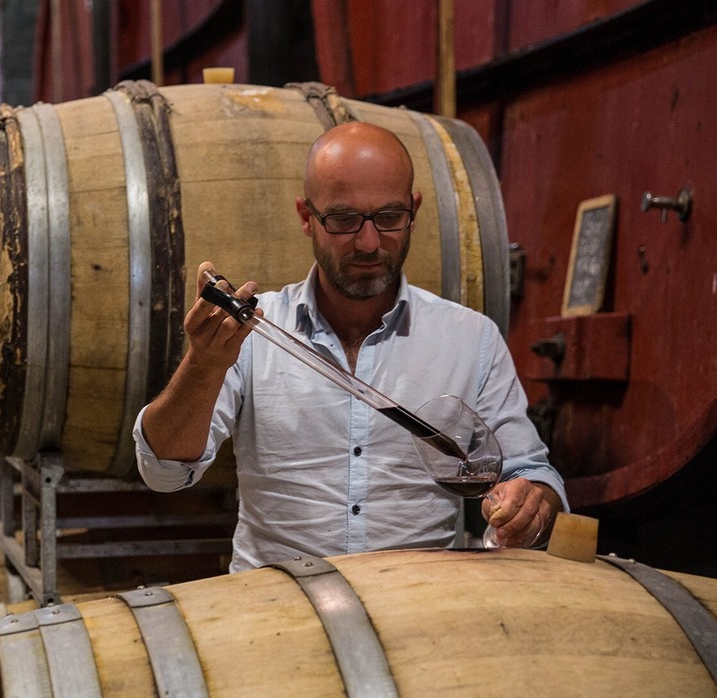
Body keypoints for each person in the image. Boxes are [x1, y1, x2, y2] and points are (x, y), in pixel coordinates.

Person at [133, 121, 567, 572]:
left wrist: (531, 505)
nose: (369, 242)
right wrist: (203, 366)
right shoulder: (253, 331)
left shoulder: (470, 337)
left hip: (419, 597)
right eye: (343, 220)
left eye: (390, 217)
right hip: (277, 602)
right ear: (307, 217)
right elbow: (164, 473)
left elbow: (530, 472)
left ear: (414, 210)